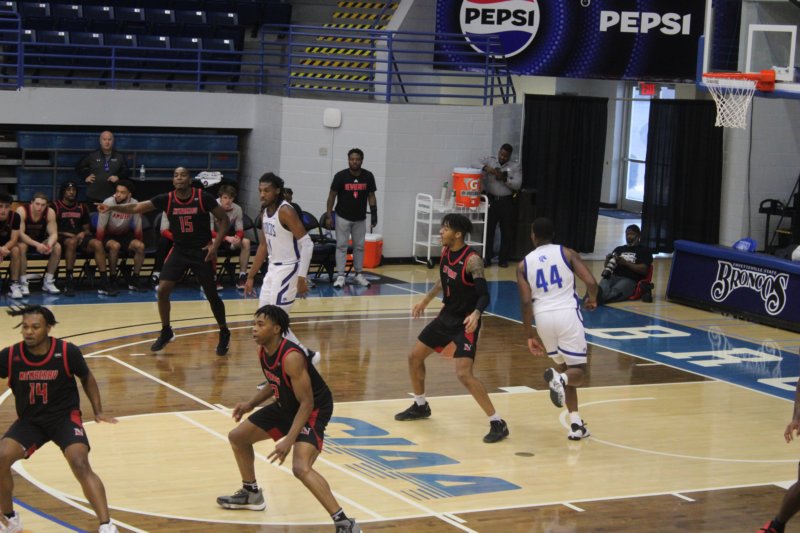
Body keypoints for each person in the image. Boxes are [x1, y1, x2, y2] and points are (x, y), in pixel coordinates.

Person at [215, 305, 361, 533]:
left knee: (301, 467)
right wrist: (250, 404)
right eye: (254, 324)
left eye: (260, 324)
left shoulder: (292, 356)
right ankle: (251, 493)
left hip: (313, 409)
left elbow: (307, 403)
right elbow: (276, 381)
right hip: (287, 405)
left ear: (276, 329)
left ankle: (344, 523)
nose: (254, 329)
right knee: (238, 437)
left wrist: (289, 440)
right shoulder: (263, 350)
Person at [0, 305, 119, 533]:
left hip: (63, 418)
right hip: (30, 421)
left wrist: (98, 411)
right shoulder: (11, 355)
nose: (29, 332)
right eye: (25, 327)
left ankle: (107, 525)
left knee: (79, 461)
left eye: (35, 327)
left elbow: (87, 377)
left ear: (48, 328)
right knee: (1, 457)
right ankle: (9, 520)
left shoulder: (66, 351)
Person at [394, 213, 509, 444]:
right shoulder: (446, 252)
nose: (441, 231)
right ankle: (420, 405)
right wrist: (425, 300)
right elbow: (443, 279)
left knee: (463, 374)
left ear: (458, 234)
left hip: (466, 322)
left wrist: (476, 314)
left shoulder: (473, 260)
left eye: (445, 229)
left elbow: (484, 295)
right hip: (447, 316)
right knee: (414, 357)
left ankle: (497, 422)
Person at [96, 167, 231, 355]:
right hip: (180, 250)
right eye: (176, 175)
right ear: (173, 181)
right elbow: (136, 207)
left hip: (201, 251)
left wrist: (215, 246)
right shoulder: (167, 199)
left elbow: (225, 220)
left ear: (190, 180)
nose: (179, 178)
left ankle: (224, 330)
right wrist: (111, 207)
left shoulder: (203, 197)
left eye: (183, 175)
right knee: (162, 290)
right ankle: (166, 330)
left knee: (211, 294)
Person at [517, 217, 598, 440]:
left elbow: (526, 302)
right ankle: (560, 380)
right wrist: (592, 299)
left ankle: (576, 425)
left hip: (543, 319)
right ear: (553, 234)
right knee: (577, 372)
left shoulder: (523, 264)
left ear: (533, 236)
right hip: (567, 314)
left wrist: (529, 335)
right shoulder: (567, 253)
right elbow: (591, 282)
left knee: (565, 369)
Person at [244, 173, 321, 366]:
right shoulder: (264, 212)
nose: (262, 194)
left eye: (267, 190)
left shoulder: (285, 211)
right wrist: (250, 276)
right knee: (263, 319)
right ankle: (306, 355)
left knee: (274, 323)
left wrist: (302, 278)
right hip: (272, 269)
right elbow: (263, 246)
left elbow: (307, 244)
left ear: (277, 191)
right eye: (260, 190)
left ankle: (296, 359)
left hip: (289, 268)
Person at [325, 148, 377, 289]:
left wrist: (374, 214)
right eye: (352, 159)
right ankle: (341, 276)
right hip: (342, 216)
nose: (354, 162)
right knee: (341, 246)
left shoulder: (368, 176)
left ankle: (358, 274)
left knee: (359, 247)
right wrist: (329, 215)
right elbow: (332, 195)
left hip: (360, 218)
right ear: (348, 160)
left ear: (361, 161)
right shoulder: (340, 176)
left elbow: (371, 195)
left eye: (357, 159)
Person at [53, 181, 116, 297]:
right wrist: (67, 234)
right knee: (72, 242)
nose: (71, 192)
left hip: (80, 237)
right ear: (63, 192)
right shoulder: (55, 206)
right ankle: (69, 281)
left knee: (98, 244)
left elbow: (87, 229)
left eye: (74, 190)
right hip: (62, 238)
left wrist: (82, 233)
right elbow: (51, 230)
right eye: (68, 190)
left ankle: (104, 282)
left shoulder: (82, 207)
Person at [96, 180, 148, 291]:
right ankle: (113, 278)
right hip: (108, 236)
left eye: (122, 192)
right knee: (115, 246)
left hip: (124, 235)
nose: (118, 194)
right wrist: (100, 247)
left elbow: (138, 227)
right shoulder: (108, 202)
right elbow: (100, 227)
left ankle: (135, 279)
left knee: (140, 246)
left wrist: (138, 242)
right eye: (117, 191)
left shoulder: (134, 203)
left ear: (129, 194)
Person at [477, 143, 522, 268]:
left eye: (505, 156)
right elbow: (474, 163)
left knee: (506, 231)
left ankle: (503, 259)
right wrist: (487, 168)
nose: (502, 157)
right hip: (491, 201)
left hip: (506, 202)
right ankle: (487, 258)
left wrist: (504, 179)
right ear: (499, 152)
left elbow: (518, 184)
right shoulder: (491, 161)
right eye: (501, 154)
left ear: (509, 156)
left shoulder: (515, 166)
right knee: (489, 230)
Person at [15, 192, 61, 295]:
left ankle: (48, 281)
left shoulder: (50, 212)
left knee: (57, 246)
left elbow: (54, 233)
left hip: (41, 241)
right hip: (26, 241)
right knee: (21, 247)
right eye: (37, 204)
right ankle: (23, 282)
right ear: (32, 202)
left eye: (43, 205)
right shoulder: (22, 211)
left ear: (46, 205)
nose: (40, 207)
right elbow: (20, 234)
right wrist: (37, 245)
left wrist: (49, 244)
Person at [597, 224, 653, 304]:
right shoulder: (619, 249)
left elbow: (644, 270)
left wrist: (626, 263)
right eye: (627, 234)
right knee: (600, 289)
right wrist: (607, 260)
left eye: (632, 234)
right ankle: (598, 297)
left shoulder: (644, 250)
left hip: (630, 279)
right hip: (613, 276)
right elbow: (607, 266)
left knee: (614, 293)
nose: (629, 236)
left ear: (639, 236)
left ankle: (597, 298)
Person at [74, 131, 131, 205]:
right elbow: (78, 167)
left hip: (113, 197)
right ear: (100, 141)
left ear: (113, 141)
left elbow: (126, 171)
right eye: (104, 139)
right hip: (93, 196)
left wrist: (118, 177)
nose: (107, 142)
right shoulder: (92, 156)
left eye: (109, 139)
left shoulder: (120, 156)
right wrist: (85, 176)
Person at [212, 184, 251, 290]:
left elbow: (240, 230)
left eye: (230, 198)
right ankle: (213, 277)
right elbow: (209, 231)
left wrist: (237, 238)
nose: (228, 201)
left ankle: (242, 276)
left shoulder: (237, 209)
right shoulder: (212, 207)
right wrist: (225, 238)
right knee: (212, 242)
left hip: (229, 237)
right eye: (225, 198)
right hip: (215, 237)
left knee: (246, 242)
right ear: (220, 198)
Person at [0, 193, 23, 299]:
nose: (3, 210)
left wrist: (3, 248)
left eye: (6, 207)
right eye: (0, 206)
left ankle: (14, 283)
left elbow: (14, 239)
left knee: (16, 249)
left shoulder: (15, 217)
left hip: (7, 246)